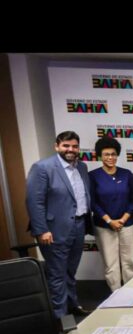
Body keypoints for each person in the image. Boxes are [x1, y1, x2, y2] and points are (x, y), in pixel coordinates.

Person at [26, 131, 92, 319]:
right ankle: (60, 317)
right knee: (57, 274)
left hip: (79, 225)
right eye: (66, 146)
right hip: (53, 230)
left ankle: (73, 305)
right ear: (57, 146)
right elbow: (34, 202)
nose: (71, 150)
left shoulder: (82, 167)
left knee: (70, 270)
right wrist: (41, 230)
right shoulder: (42, 168)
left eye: (74, 146)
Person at [89, 136, 133, 291]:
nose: (110, 157)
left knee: (130, 261)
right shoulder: (93, 176)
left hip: (127, 224)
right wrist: (109, 221)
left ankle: (132, 292)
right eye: (106, 154)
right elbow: (92, 202)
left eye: (113, 154)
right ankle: (115, 294)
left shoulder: (127, 174)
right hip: (104, 226)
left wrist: (123, 219)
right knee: (111, 264)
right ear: (100, 156)